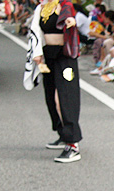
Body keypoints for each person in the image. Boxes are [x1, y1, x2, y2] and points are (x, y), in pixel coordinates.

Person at [28, 0, 83, 163]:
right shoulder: (42, 8)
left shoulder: (65, 5)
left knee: (65, 97)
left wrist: (71, 21)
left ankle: (72, 144)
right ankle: (63, 133)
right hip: (49, 55)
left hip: (65, 57)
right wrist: (37, 53)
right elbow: (35, 32)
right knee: (51, 97)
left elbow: (71, 18)